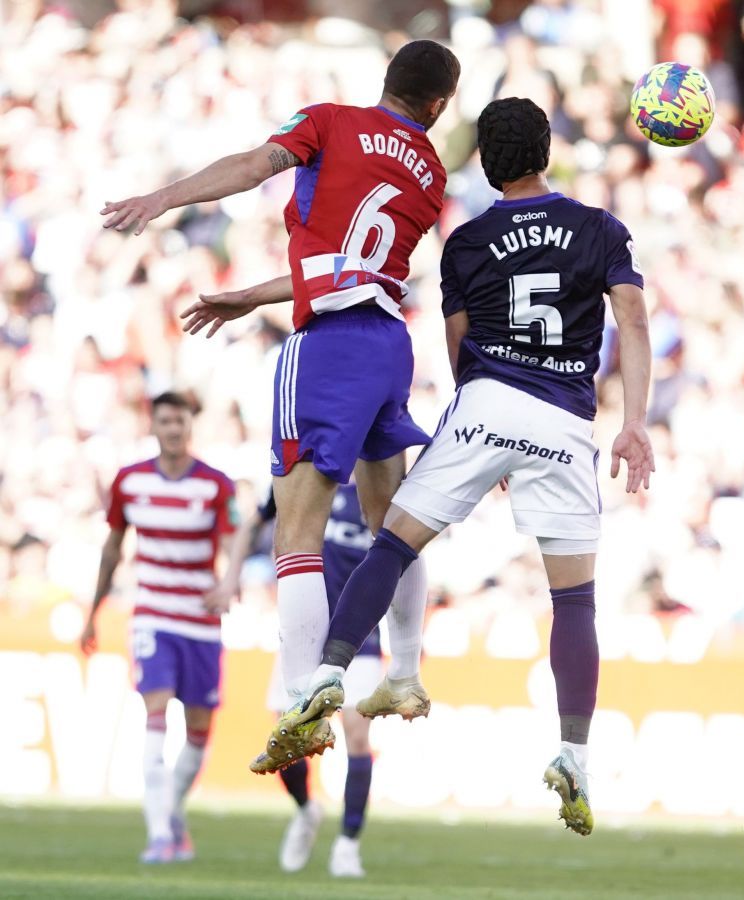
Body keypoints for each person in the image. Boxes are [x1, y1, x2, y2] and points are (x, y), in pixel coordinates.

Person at [293, 97, 655, 836]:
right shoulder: (601, 229)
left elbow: (458, 349)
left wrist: (480, 445)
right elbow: (635, 322)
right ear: (547, 151)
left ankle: (327, 672)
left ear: (485, 162)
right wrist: (636, 424)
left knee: (391, 544)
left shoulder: (465, 241)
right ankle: (573, 753)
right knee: (575, 602)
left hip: (488, 400)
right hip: (563, 419)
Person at [102, 40, 460, 771]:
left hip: (326, 346)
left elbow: (252, 169)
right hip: (390, 344)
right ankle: (403, 673)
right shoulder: (433, 175)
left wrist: (164, 198)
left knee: (295, 533)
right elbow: (355, 271)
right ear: (439, 107)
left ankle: (302, 700)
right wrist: (251, 296)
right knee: (388, 528)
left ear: (385, 82)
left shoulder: (330, 121)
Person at [80, 391, 237, 862]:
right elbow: (112, 549)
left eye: (181, 421)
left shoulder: (215, 485)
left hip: (201, 620)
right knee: (154, 712)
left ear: (191, 426)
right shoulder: (130, 482)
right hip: (152, 615)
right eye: (166, 421)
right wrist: (93, 611)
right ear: (154, 426)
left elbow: (235, 539)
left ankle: (171, 814)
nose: (174, 429)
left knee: (198, 729)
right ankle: (158, 836)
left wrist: (229, 584)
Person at [208, 483, 384, 878]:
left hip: (361, 634)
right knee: (287, 739)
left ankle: (348, 845)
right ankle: (307, 810)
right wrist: (233, 573)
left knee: (357, 737)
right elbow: (255, 520)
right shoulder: (309, 471)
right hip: (306, 633)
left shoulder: (382, 476)